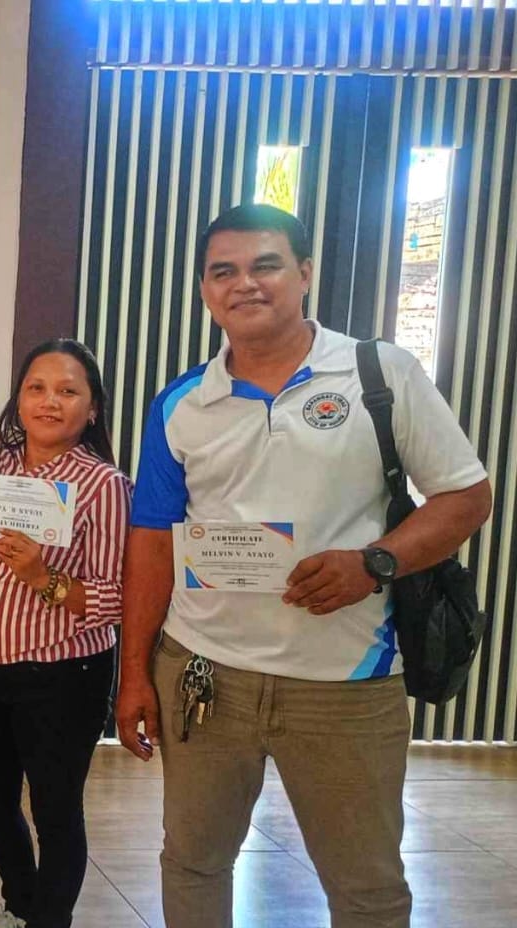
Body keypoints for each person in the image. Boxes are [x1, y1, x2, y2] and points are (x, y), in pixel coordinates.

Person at [114, 204, 492, 928]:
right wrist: (133, 672)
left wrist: (375, 562)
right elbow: (153, 542)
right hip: (204, 675)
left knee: (366, 889)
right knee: (193, 863)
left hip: (345, 685)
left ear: (305, 274)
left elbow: (468, 496)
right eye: (224, 271)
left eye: (266, 265)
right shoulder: (181, 404)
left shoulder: (379, 374)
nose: (245, 284)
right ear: (204, 289)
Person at [0, 338, 132, 928]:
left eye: (68, 391)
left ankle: (48, 918)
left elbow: (113, 598)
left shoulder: (104, 484)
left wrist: (42, 575)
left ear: (91, 408)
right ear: (19, 397)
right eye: (37, 387)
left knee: (56, 811)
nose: (49, 401)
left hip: (65, 675)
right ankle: (22, 903)